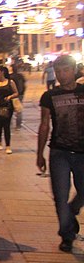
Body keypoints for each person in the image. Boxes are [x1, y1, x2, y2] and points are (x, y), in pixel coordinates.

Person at [36, 55, 84, 252]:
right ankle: (67, 235)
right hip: (59, 152)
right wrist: (39, 154)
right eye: (58, 71)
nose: (62, 75)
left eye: (65, 70)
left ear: (73, 70)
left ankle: (72, 211)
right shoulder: (49, 96)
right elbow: (44, 124)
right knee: (60, 195)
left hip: (83, 152)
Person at [0, 65, 18, 154]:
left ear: (2, 72)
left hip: (7, 107)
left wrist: (10, 97)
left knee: (6, 125)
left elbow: (16, 93)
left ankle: (8, 146)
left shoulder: (10, 82)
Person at [11, 65, 26, 129]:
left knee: (11, 109)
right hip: (20, 94)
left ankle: (10, 124)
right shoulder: (21, 76)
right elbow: (24, 85)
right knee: (19, 110)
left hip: (12, 95)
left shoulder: (10, 76)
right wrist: (22, 93)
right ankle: (18, 125)